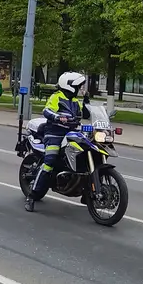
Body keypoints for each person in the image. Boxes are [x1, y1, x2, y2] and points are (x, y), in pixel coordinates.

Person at [25, 72, 88, 212]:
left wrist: (88, 101)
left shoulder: (76, 101)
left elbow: (85, 115)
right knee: (50, 162)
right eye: (78, 86)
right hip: (54, 133)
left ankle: (88, 193)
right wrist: (57, 117)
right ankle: (32, 195)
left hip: (71, 133)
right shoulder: (57, 97)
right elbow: (47, 111)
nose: (80, 89)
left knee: (85, 155)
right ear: (70, 86)